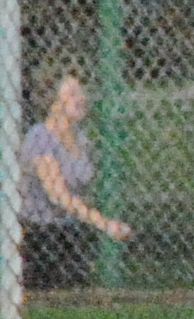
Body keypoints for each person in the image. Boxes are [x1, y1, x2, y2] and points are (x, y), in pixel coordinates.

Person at [14, 72, 132, 288]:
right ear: (53, 102)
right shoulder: (40, 138)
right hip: (42, 235)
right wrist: (105, 224)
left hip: (73, 229)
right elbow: (58, 196)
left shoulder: (80, 137)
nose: (81, 98)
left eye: (81, 92)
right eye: (72, 93)